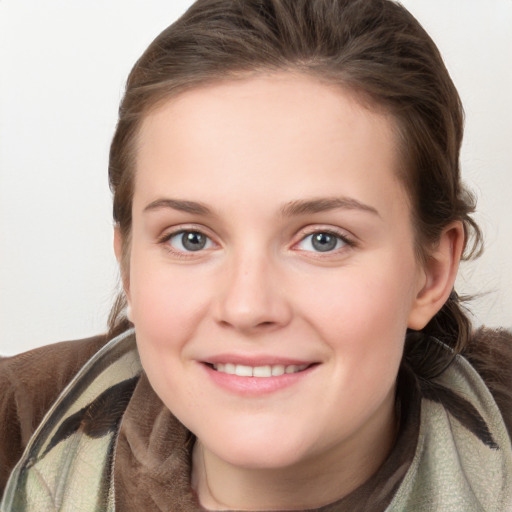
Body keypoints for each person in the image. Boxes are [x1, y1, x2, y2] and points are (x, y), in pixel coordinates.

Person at [1, 0, 511, 510]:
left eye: (323, 239)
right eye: (191, 238)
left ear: (431, 274)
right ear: (129, 266)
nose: (247, 307)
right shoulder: (16, 428)